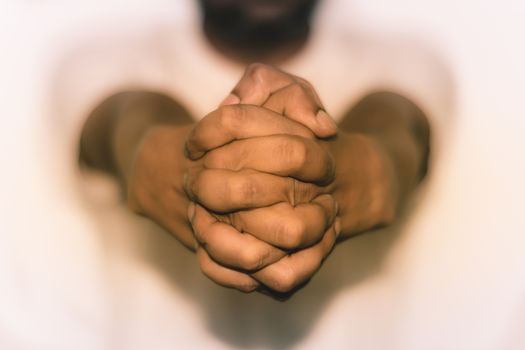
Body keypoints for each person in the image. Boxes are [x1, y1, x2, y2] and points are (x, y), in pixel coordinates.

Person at [79, 0, 435, 298]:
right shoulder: (97, 64)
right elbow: (130, 128)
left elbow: (394, 136)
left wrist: (339, 175)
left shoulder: (408, 62)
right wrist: (189, 175)